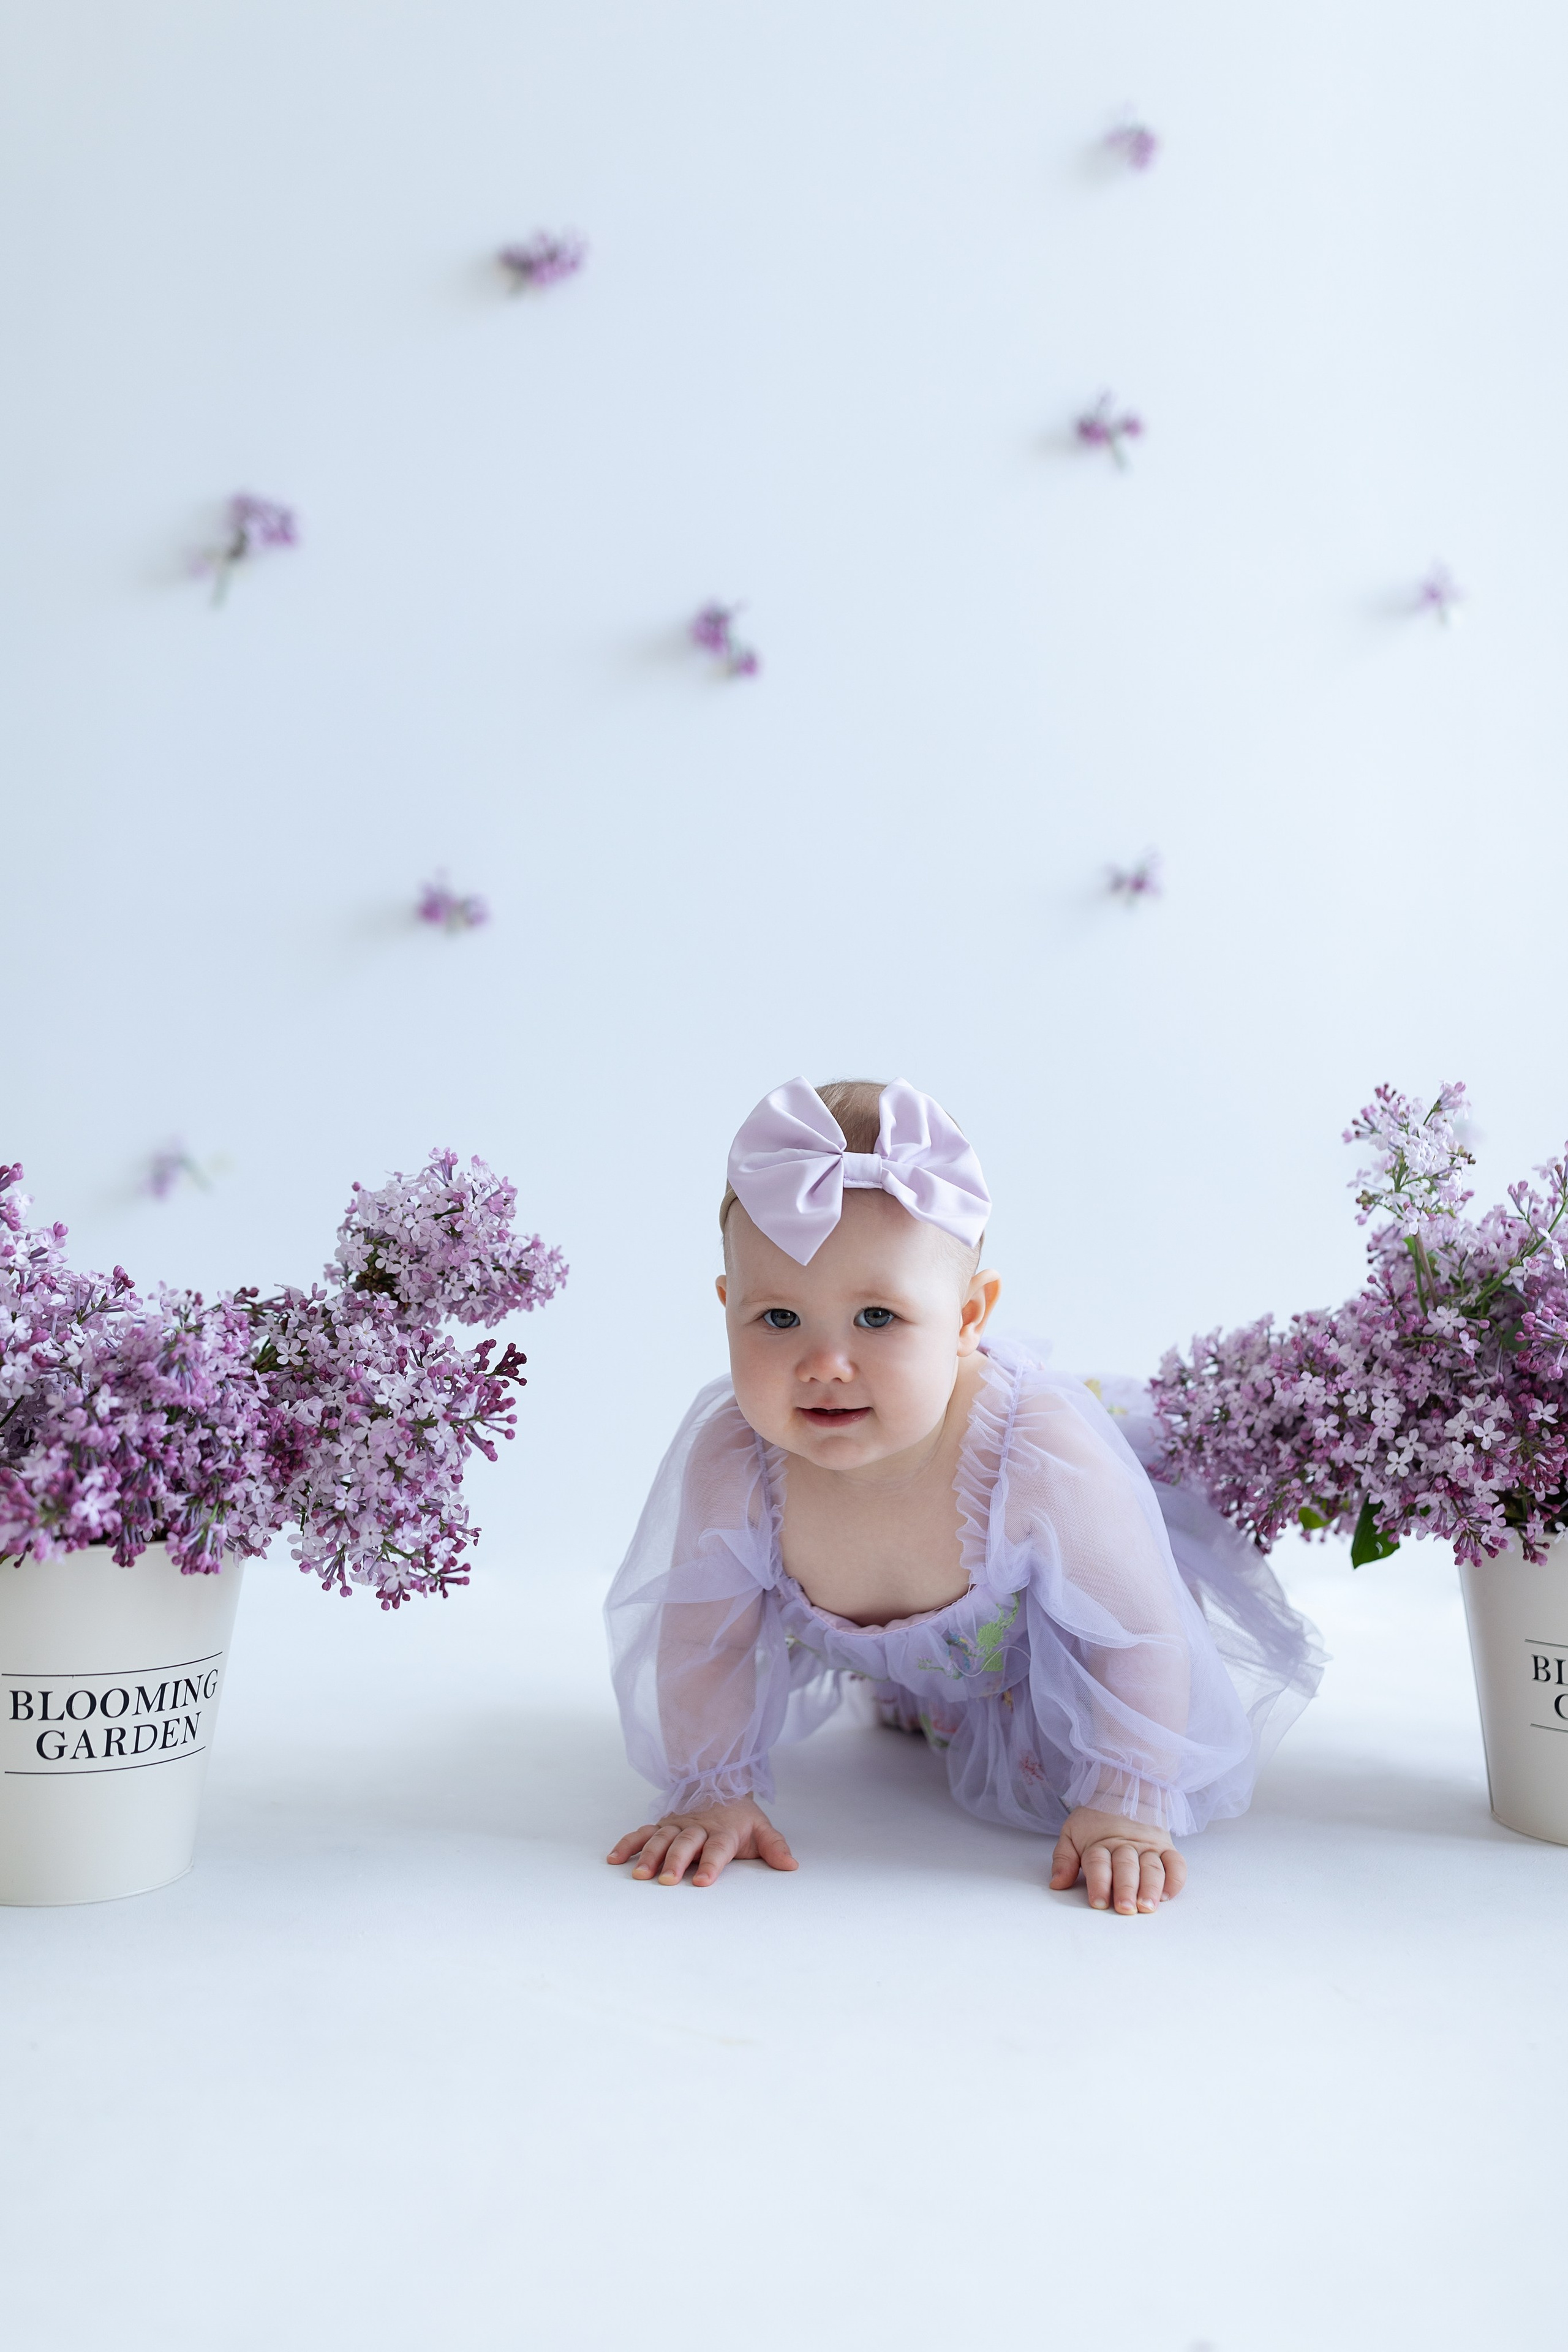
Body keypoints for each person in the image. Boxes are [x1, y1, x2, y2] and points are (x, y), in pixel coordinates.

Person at [605, 1078, 1322, 1914]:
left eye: (877, 1318)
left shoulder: (1034, 1453)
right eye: (777, 1320)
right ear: (727, 1311)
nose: (825, 1363)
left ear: (968, 1316)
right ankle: (917, 1701)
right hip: (931, 1661)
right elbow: (706, 1642)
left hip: (1043, 1667)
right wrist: (711, 1788)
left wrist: (1125, 1802)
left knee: (1110, 1625)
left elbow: (1133, 1633)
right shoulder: (737, 1459)